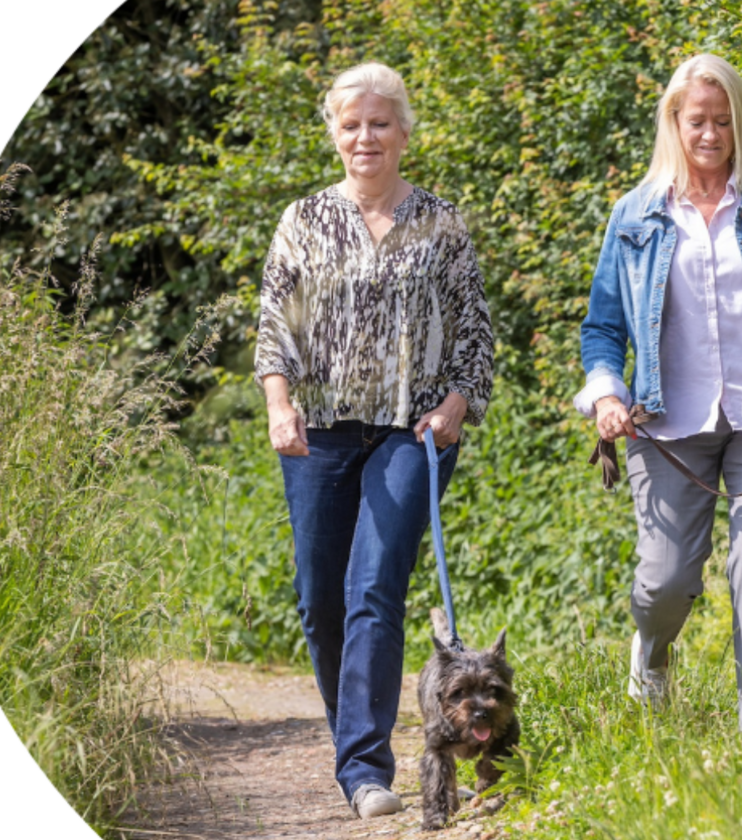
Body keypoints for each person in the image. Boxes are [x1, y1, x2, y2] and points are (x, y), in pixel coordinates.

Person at [575, 53, 742, 732]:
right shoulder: (634, 217)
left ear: (740, 125)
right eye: (698, 120)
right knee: (664, 582)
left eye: (724, 122)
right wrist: (606, 396)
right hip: (667, 426)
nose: (711, 134)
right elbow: (603, 327)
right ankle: (654, 651)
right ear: (674, 121)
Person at [254, 62, 493, 818]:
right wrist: (278, 405)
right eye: (352, 124)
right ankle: (350, 732)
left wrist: (456, 405)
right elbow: (273, 329)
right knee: (321, 602)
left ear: (404, 132)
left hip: (412, 431)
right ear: (334, 132)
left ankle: (365, 769)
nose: (366, 136)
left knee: (374, 589)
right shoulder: (304, 220)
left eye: (380, 123)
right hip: (318, 431)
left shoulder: (441, 223)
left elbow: (477, 337)